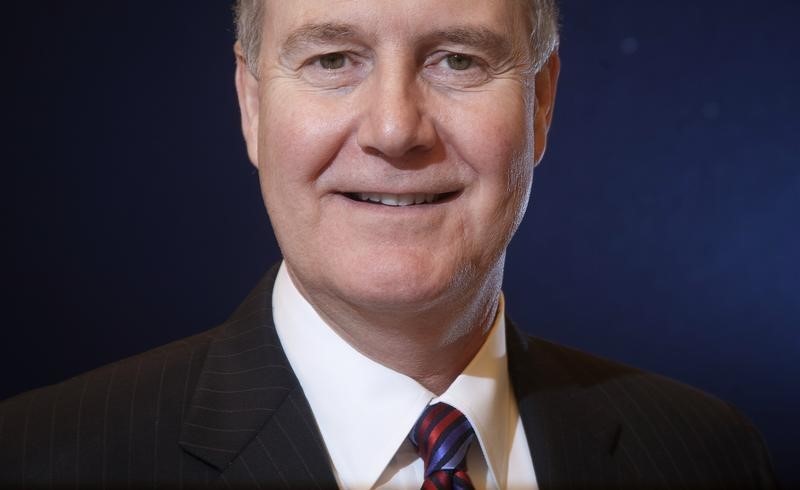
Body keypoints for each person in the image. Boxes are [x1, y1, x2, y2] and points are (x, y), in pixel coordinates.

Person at [0, 1, 777, 489]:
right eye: (333, 59)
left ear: (540, 103)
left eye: (459, 60)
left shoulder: (706, 455)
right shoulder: (38, 461)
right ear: (251, 103)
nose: (395, 129)